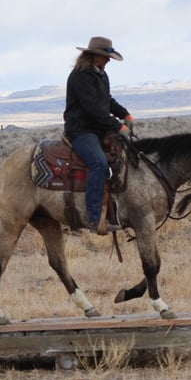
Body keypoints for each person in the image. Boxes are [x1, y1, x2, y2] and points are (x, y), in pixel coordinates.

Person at [63, 36, 135, 234]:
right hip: (81, 130)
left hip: (97, 127)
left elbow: (106, 100)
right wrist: (117, 126)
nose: (108, 60)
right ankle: (94, 218)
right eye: (105, 56)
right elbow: (93, 109)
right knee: (99, 163)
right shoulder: (80, 76)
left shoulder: (100, 74)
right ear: (94, 56)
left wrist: (124, 113)